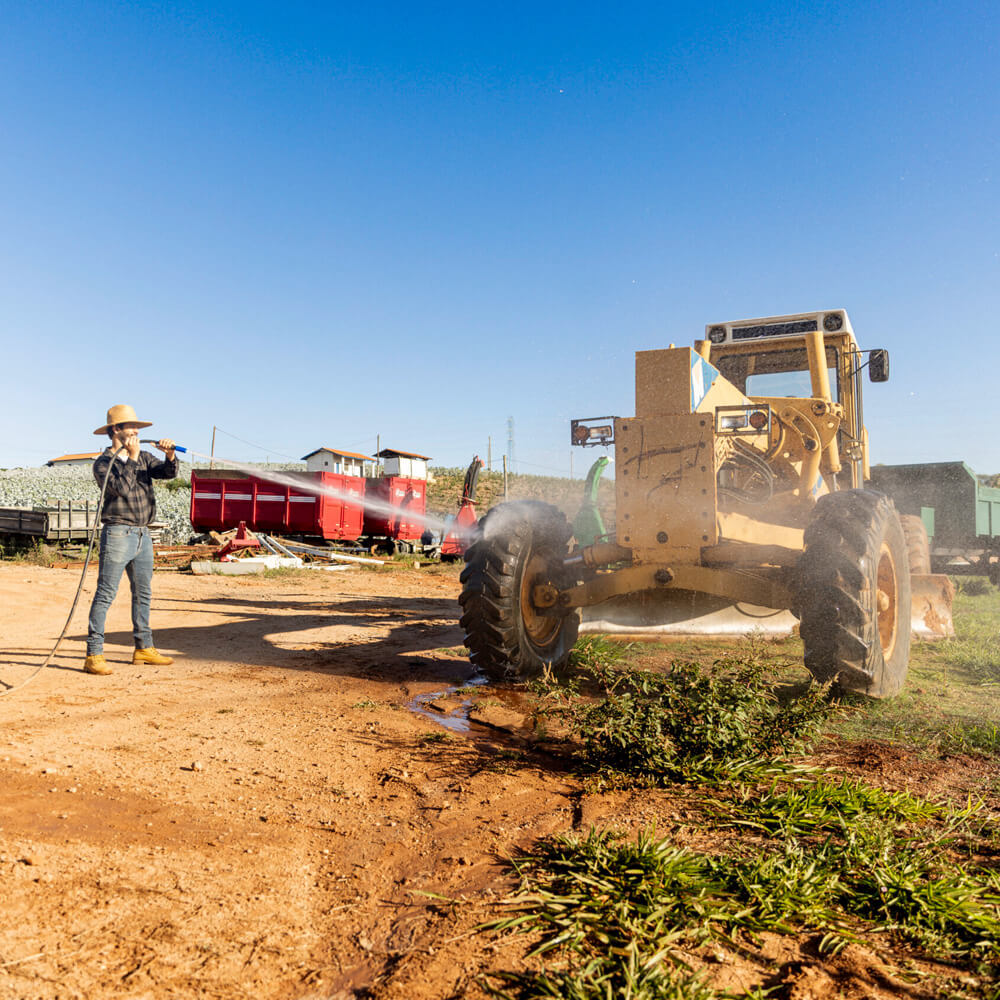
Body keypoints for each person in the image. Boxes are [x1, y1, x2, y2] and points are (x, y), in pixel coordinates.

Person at [84, 404, 179, 676]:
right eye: (132, 427)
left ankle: (143, 648)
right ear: (116, 430)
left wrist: (170, 454)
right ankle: (94, 654)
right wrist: (134, 458)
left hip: (142, 534)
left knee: (143, 593)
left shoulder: (145, 457)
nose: (137, 431)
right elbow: (122, 489)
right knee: (105, 594)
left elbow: (169, 473)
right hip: (117, 533)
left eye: (138, 427)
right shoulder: (103, 465)